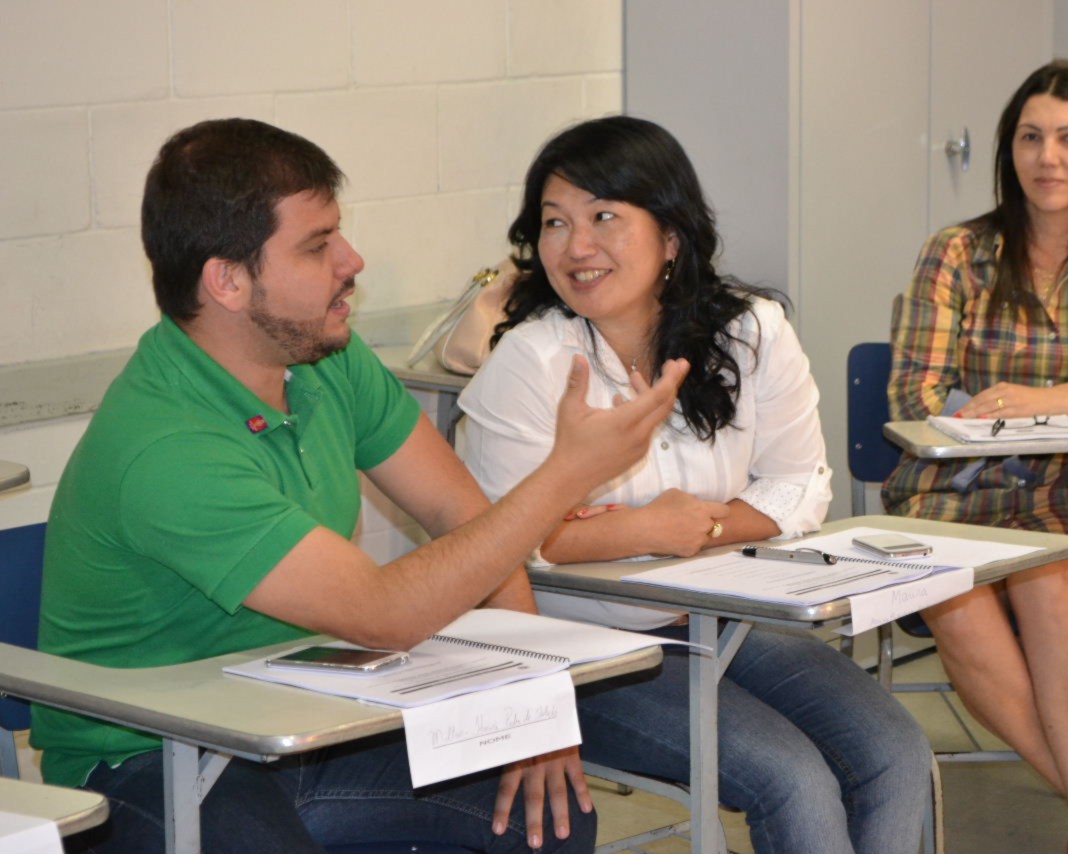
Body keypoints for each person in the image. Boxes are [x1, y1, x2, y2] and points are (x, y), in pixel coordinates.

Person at [32, 118, 690, 854]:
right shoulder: (165, 447)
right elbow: (383, 613)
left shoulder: (323, 356)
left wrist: (536, 709)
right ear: (228, 280)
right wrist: (566, 474)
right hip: (151, 755)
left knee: (548, 820)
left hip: (298, 716)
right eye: (317, 246)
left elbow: (462, 516)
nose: (352, 261)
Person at [459, 115, 933, 854]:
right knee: (791, 778)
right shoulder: (529, 363)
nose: (576, 247)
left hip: (728, 619)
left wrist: (696, 528)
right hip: (585, 645)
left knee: (897, 750)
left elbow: (799, 486)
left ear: (671, 236)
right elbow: (498, 547)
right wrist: (645, 529)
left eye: (604, 217)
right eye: (555, 222)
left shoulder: (751, 331)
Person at [883, 64, 1068, 854]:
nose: (1047, 157)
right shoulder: (958, 252)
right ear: (1008, 151)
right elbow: (916, 395)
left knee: (1048, 577)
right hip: (956, 487)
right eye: (1030, 137)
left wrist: (1037, 400)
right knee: (956, 595)